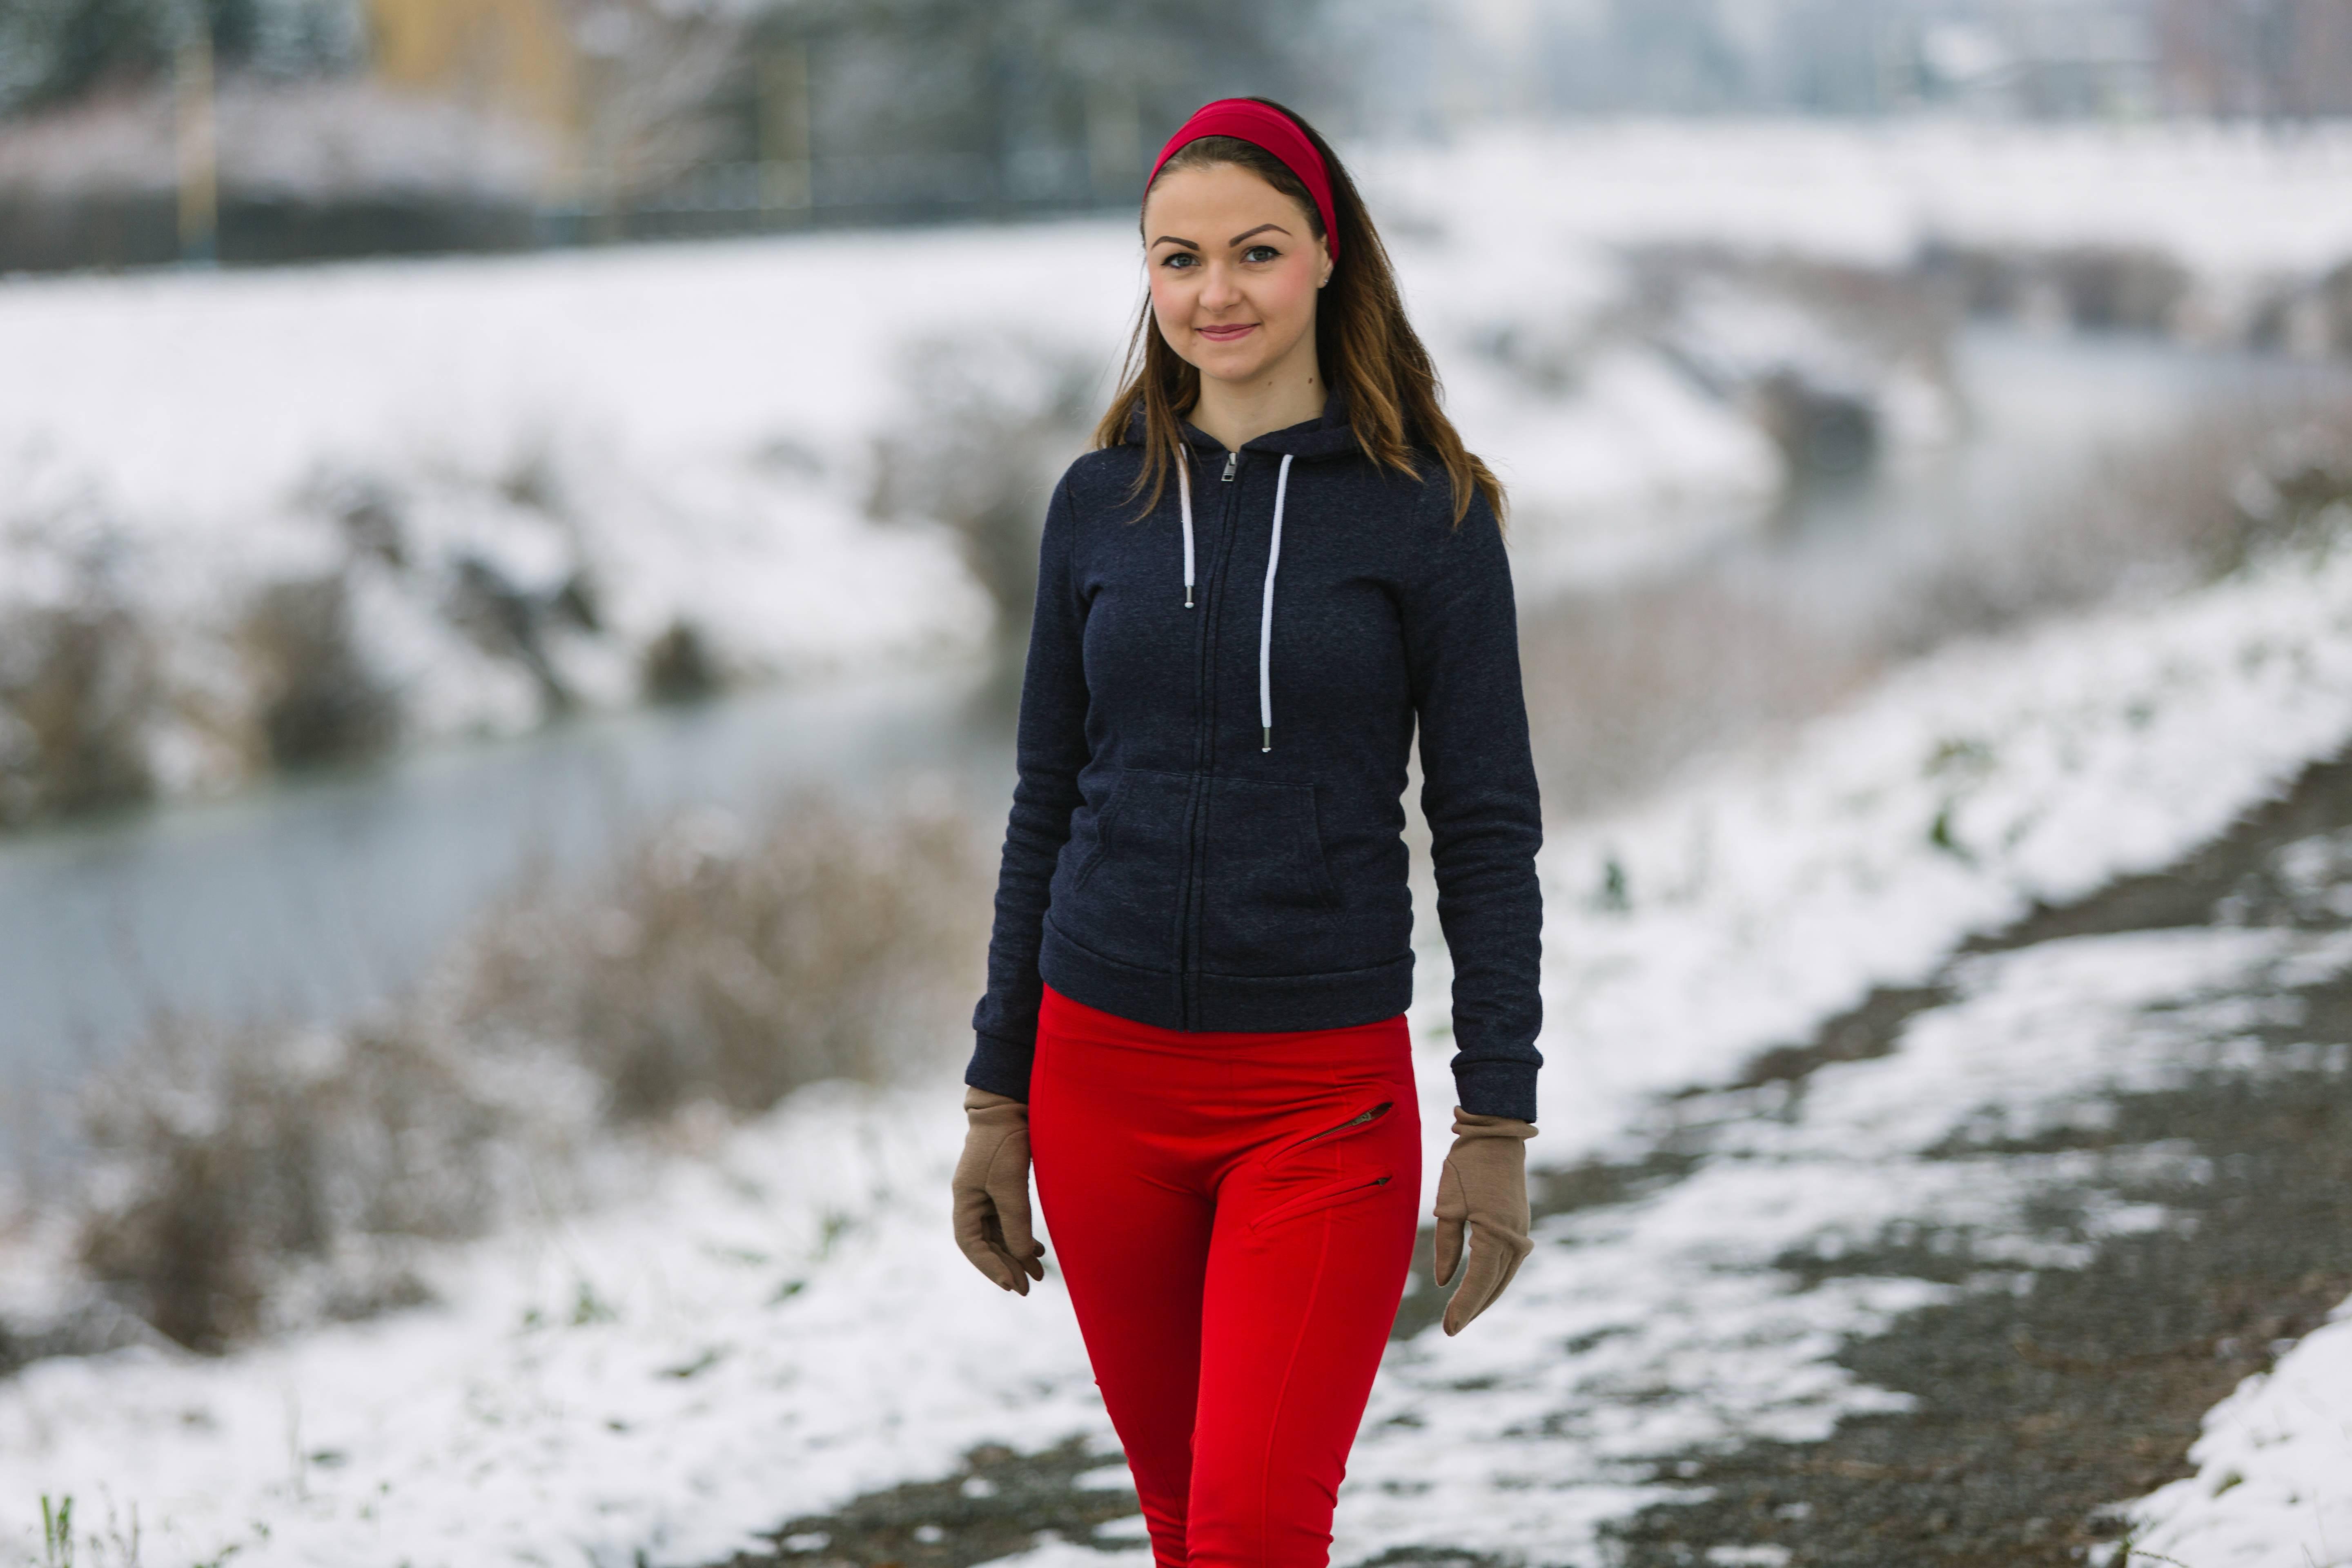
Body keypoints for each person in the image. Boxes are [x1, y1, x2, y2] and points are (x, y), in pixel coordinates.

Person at [951, 96, 1544, 1568]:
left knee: (1253, 1533)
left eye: (1256, 251)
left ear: (1329, 254)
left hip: (1321, 1105)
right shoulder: (1097, 505)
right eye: (1179, 259)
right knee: (1183, 1529)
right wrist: (995, 1099)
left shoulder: (1430, 515)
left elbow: (1484, 828)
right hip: (1099, 1086)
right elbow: (1046, 799)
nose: (1215, 292)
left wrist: (1496, 1123)